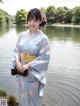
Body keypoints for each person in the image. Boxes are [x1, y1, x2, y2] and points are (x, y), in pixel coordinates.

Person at [11, 8, 50, 106]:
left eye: (35, 20)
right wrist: (17, 62)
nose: (32, 23)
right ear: (27, 20)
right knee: (22, 94)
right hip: (21, 70)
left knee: (33, 97)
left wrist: (28, 65)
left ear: (40, 21)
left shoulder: (43, 39)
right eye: (30, 20)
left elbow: (44, 57)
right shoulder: (22, 35)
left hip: (33, 72)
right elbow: (16, 50)